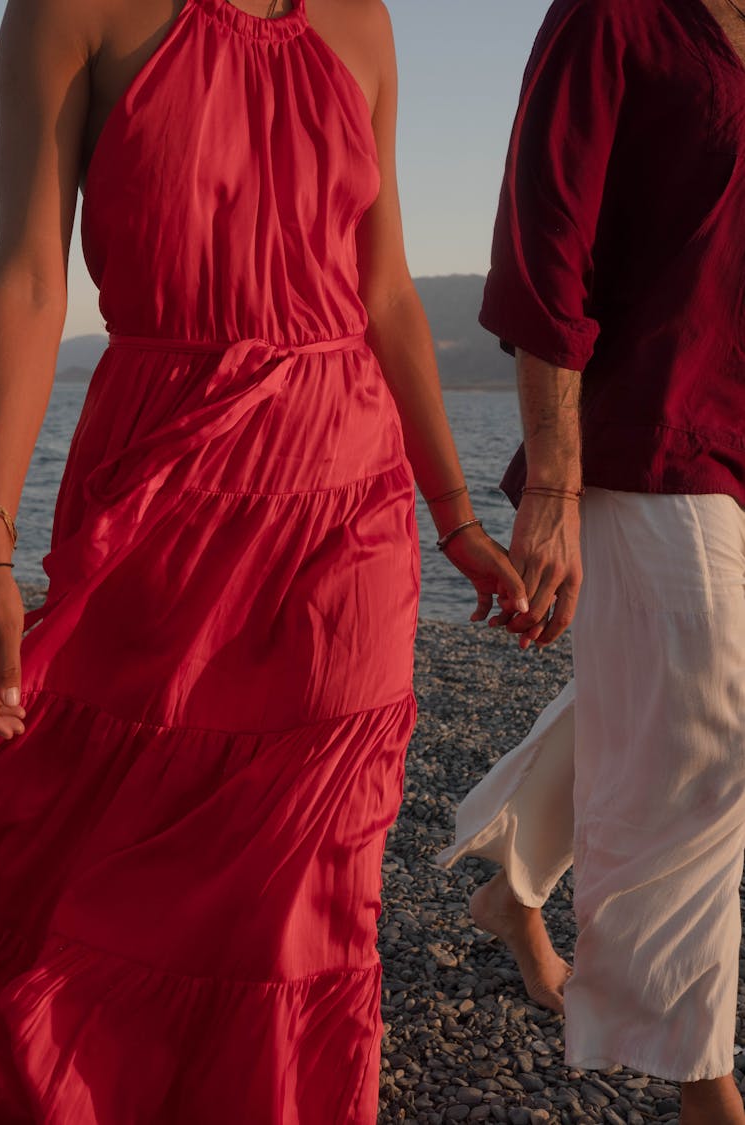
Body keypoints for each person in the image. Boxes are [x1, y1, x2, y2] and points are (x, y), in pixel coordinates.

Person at [0, 0, 528, 1120]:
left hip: (348, 497)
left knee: (310, 874)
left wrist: (455, 516)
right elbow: (32, 279)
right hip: (161, 490)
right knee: (110, 834)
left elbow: (382, 289)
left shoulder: (359, 20)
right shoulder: (66, 11)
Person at [438, 1, 745, 1123]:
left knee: (664, 696)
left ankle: (514, 885)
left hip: (738, 430)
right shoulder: (615, 15)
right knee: (720, 730)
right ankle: (698, 1073)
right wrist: (555, 488)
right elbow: (543, 246)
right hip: (643, 438)